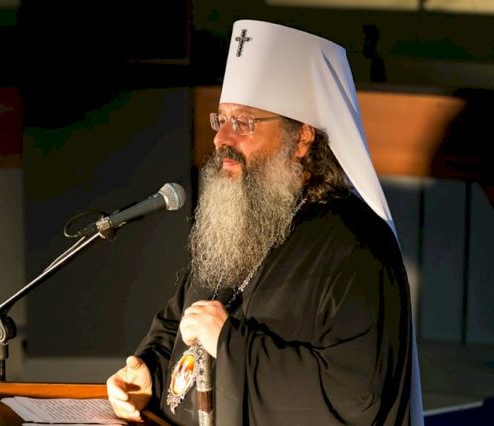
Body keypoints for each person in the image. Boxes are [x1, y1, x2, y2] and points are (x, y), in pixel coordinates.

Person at [106, 20, 423, 425]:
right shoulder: (240, 222)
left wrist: (229, 342)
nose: (221, 139)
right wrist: (149, 372)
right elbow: (178, 323)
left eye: (243, 123)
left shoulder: (358, 248)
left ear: (302, 137)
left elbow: (355, 396)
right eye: (221, 120)